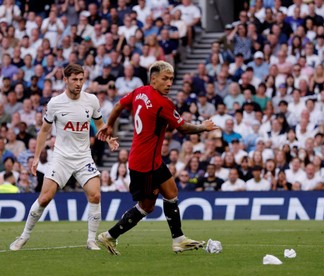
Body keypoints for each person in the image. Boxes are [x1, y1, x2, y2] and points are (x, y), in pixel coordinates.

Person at [96, 61, 219, 255]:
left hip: (151, 160)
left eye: (171, 79)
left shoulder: (139, 92)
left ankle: (178, 240)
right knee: (147, 207)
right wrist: (203, 126)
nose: (169, 83)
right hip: (144, 164)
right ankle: (110, 235)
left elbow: (119, 105)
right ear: (153, 80)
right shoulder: (163, 103)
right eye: (165, 79)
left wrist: (109, 124)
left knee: (171, 193)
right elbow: (183, 128)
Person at [9, 64, 119, 251]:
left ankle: (91, 239)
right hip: (61, 158)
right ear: (65, 80)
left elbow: (100, 124)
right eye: (74, 79)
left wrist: (108, 138)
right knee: (44, 198)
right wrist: (36, 157)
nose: (78, 83)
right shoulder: (55, 103)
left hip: (84, 157)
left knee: (95, 195)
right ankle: (24, 236)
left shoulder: (91, 100)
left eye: (81, 79)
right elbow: (44, 130)